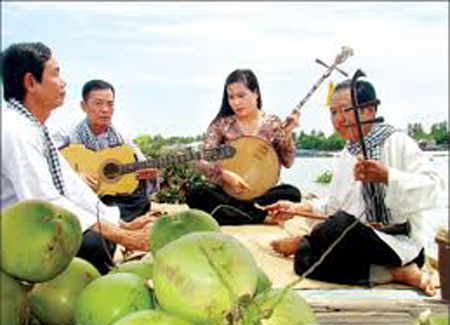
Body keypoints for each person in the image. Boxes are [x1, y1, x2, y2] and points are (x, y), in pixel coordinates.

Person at [262, 78, 445, 296]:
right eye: (333, 112)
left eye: (345, 110)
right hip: (355, 240)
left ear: (369, 110)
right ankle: (395, 274)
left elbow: (436, 189)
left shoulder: (397, 142)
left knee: (333, 228)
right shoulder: (347, 152)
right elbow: (335, 205)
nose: (338, 120)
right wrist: (297, 208)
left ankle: (399, 265)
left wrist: (388, 177)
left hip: (397, 243)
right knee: (304, 259)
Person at [1, 42, 153, 275]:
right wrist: (125, 237)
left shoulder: (33, 127)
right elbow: (47, 204)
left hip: (41, 225)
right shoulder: (14, 129)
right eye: (56, 74)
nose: (63, 83)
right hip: (17, 237)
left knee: (104, 234)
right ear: (31, 82)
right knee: (96, 243)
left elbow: (72, 187)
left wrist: (122, 225)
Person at [186, 69, 301, 225]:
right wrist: (224, 175)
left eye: (241, 96)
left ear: (256, 93)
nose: (236, 102)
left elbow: (288, 161)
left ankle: (236, 213)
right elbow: (201, 161)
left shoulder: (272, 123)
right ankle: (259, 215)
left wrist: (287, 135)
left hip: (261, 193)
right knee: (196, 193)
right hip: (228, 193)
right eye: (231, 97)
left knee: (292, 193)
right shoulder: (221, 125)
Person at [52, 79, 159, 222]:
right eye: (98, 103)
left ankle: (107, 223)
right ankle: (109, 223)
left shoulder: (122, 139)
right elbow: (44, 161)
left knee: (140, 201)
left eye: (110, 104)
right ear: (83, 106)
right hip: (79, 199)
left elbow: (143, 164)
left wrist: (149, 174)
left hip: (113, 200)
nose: (105, 109)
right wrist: (74, 176)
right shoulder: (65, 136)